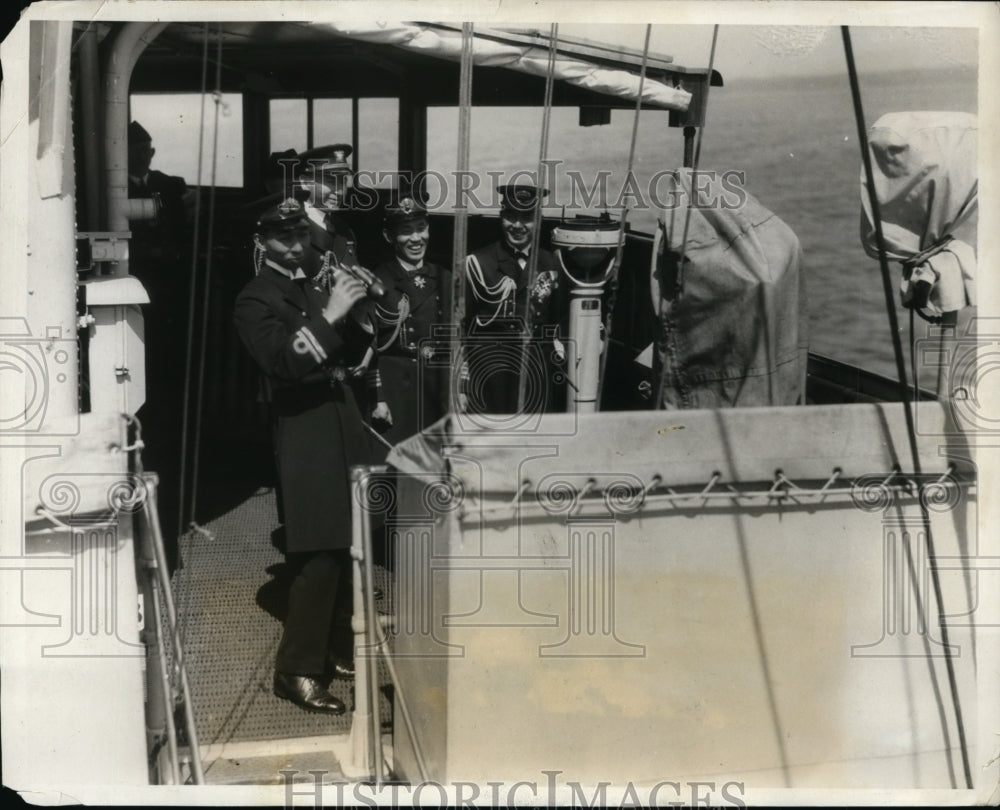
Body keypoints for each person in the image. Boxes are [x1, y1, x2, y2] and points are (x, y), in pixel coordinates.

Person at [233, 198, 372, 714]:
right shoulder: (255, 300)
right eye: (283, 238)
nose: (296, 246)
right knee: (316, 551)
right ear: (262, 242)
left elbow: (351, 350)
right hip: (304, 430)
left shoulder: (311, 284)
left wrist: (357, 312)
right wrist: (333, 313)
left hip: (340, 416)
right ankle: (295, 670)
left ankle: (335, 647)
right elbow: (283, 365)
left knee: (344, 545)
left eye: (300, 237)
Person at [463, 184, 566, 416]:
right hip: (492, 374)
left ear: (538, 220)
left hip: (536, 371)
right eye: (511, 216)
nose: (517, 225)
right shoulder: (479, 263)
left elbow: (558, 320)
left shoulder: (551, 264)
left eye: (526, 218)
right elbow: (464, 325)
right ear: (501, 217)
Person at [369, 196, 451, 451]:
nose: (416, 239)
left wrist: (460, 388)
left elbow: (458, 340)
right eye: (405, 232)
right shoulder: (376, 281)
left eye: (421, 229)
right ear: (389, 236)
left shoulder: (445, 278)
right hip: (395, 389)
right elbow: (367, 346)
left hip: (436, 386)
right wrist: (377, 398)